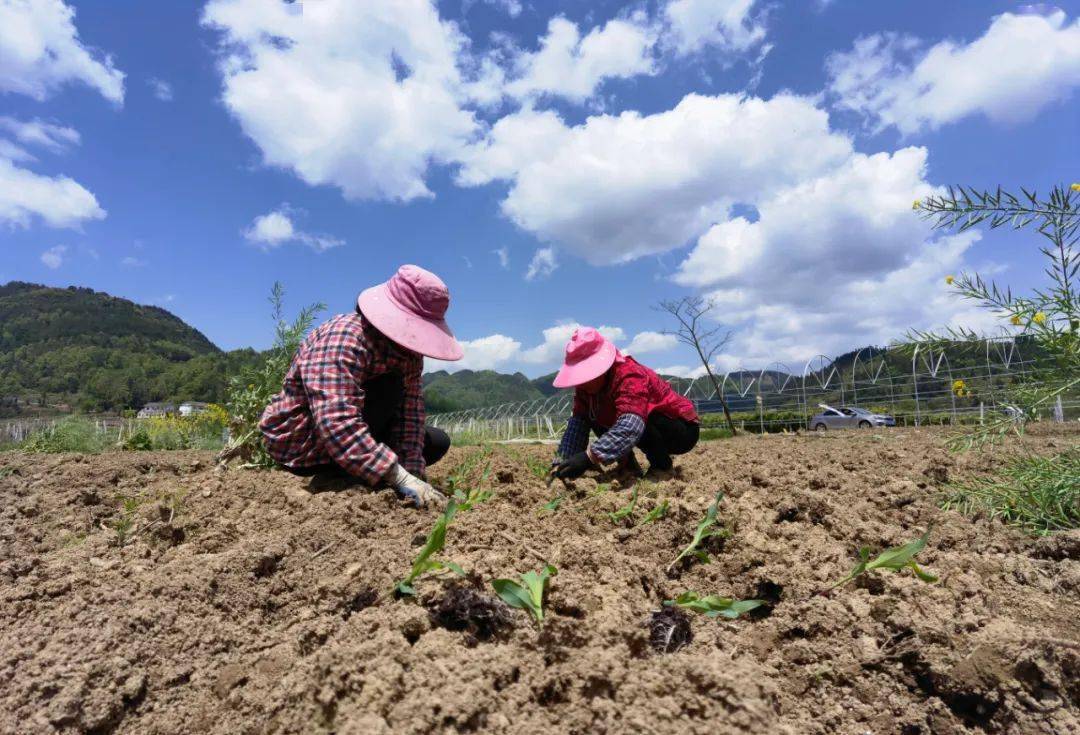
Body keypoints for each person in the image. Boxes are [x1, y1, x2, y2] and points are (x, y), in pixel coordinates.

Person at [259, 265, 463, 508]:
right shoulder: (345, 338)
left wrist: (414, 475)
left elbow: (411, 416)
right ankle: (342, 472)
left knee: (436, 442)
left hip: (357, 428)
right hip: (305, 443)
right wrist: (397, 475)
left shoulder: (409, 356)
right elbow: (335, 420)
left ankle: (357, 469)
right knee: (387, 386)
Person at [551, 327, 700, 480]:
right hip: (643, 426)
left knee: (640, 417)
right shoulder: (585, 390)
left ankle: (662, 466)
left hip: (681, 429)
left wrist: (589, 457)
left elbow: (631, 425)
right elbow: (577, 426)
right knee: (594, 416)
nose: (584, 382)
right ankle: (628, 466)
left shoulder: (629, 375)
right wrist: (561, 463)